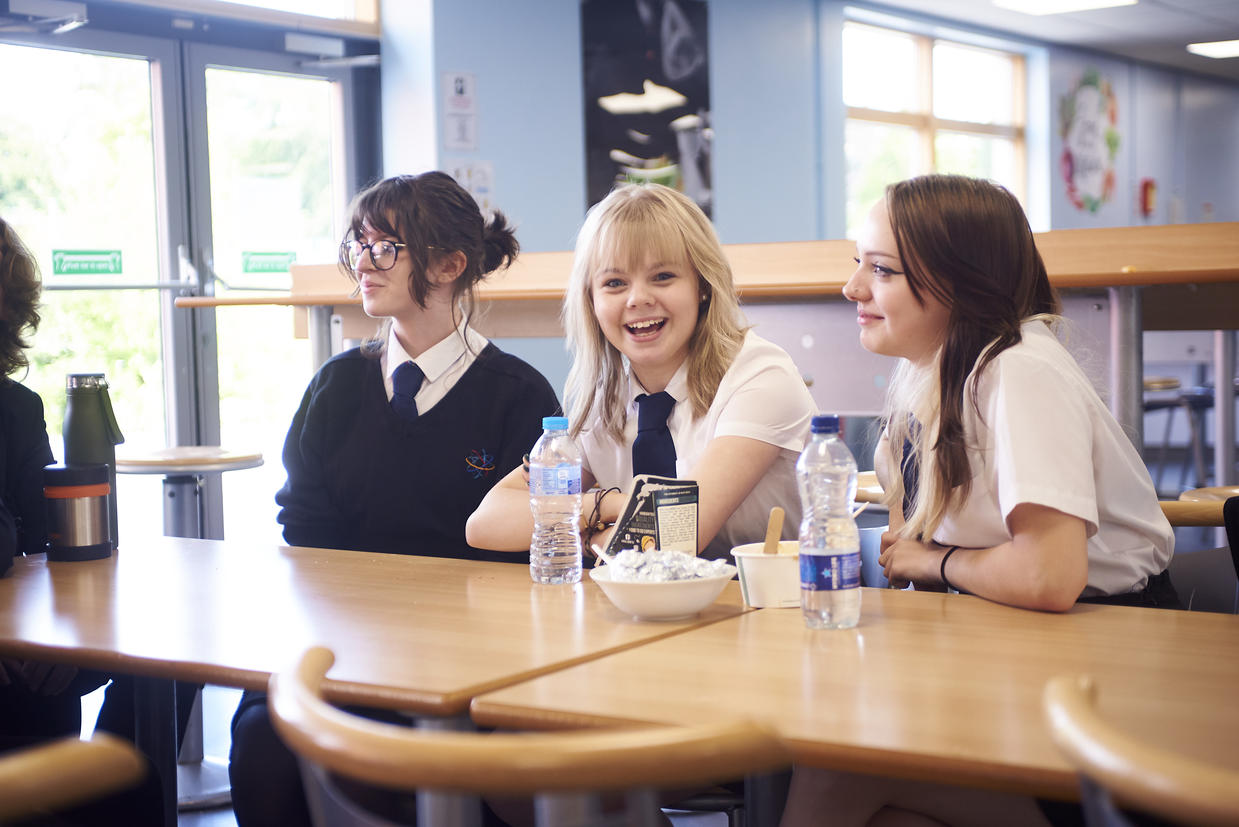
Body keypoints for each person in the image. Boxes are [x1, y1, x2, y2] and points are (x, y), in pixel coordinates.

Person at [779, 174, 1176, 827]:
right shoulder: (929, 374)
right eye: (858, 265)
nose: (852, 289)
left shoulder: (1018, 369)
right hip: (1026, 659)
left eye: (878, 270)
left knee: (838, 759)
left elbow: (1049, 575)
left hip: (1108, 686)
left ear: (954, 283)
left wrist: (933, 560)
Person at [229, 172, 560, 827]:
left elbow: (531, 551)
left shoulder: (519, 397)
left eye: (385, 248)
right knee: (263, 732)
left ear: (447, 264)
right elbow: (305, 529)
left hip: (472, 661)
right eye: (359, 245)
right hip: (346, 644)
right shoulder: (336, 386)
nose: (363, 265)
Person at [467, 182, 816, 562]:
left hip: (772, 606)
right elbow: (486, 522)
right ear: (592, 301)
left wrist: (576, 535)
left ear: (702, 284)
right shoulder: (601, 398)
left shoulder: (760, 376)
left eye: (662, 277)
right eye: (614, 283)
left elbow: (673, 534)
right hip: (642, 611)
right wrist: (607, 505)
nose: (638, 298)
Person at [0, 216, 161, 825]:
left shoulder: (15, 407)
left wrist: (50, 641)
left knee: (152, 666)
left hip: (17, 649)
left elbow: (43, 536)